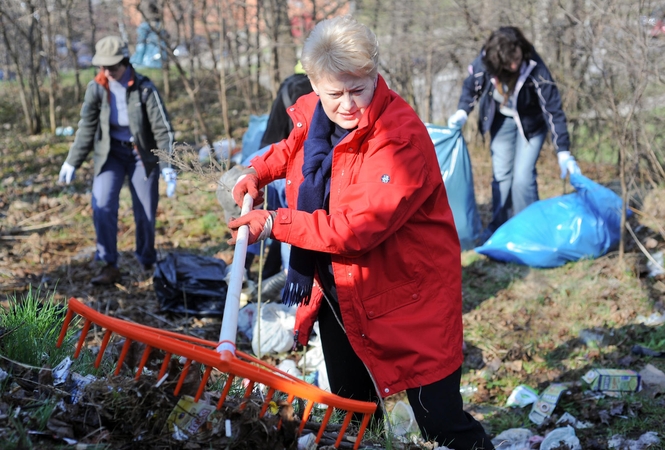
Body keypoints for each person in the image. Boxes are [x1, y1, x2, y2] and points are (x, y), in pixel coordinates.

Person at [228, 15, 494, 449]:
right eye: (335, 93)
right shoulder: (317, 110)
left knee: (439, 421)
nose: (348, 105)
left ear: (374, 75)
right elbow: (293, 145)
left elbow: (357, 229)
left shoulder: (398, 138)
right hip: (343, 289)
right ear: (313, 84)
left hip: (409, 296)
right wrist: (255, 171)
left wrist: (277, 223)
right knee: (354, 409)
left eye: (359, 90)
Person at [58, 36, 176, 285]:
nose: (108, 72)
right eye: (103, 67)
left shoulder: (144, 88)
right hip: (110, 154)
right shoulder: (97, 88)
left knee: (144, 211)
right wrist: (72, 161)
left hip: (141, 155)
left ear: (125, 62)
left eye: (112, 67)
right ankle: (108, 264)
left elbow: (162, 129)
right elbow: (86, 128)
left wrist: (168, 166)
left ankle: (146, 259)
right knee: (102, 205)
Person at [448, 26, 581, 244]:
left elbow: (553, 109)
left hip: (531, 125)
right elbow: (471, 88)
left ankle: (530, 230)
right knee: (501, 176)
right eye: (508, 62)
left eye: (516, 58)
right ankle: (500, 227)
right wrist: (463, 111)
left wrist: (563, 150)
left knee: (523, 178)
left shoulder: (535, 67)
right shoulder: (484, 62)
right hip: (500, 120)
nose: (513, 65)